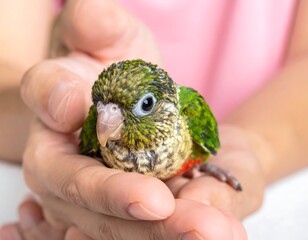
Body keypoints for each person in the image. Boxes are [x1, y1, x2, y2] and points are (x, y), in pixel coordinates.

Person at [1, 0, 308, 239]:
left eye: (145, 105)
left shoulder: (192, 115)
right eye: (101, 107)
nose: (105, 120)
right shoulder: (98, 125)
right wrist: (45, 110)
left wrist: (254, 147)